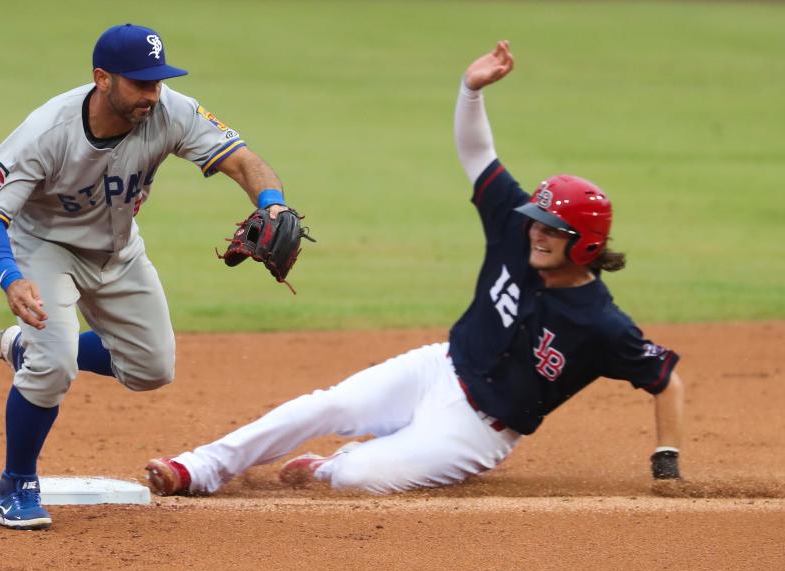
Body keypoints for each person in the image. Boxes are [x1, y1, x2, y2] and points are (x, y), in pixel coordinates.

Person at [144, 40, 685, 497]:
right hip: (438, 367)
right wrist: (470, 91)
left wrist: (666, 464)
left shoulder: (602, 324)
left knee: (357, 476)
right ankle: (200, 467)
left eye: (552, 228)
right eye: (537, 221)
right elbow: (479, 155)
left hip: (478, 431)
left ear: (585, 244)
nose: (537, 232)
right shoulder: (514, 229)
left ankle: (333, 468)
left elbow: (666, 381)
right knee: (325, 405)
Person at [0, 24, 293, 529]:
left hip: (118, 249)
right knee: (53, 368)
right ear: (102, 79)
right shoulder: (48, 131)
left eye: (157, 82)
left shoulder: (171, 109)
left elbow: (244, 161)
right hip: (47, 248)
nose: (152, 94)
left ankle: (28, 347)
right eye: (140, 83)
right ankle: (17, 483)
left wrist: (273, 203)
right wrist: (11, 278)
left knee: (152, 368)